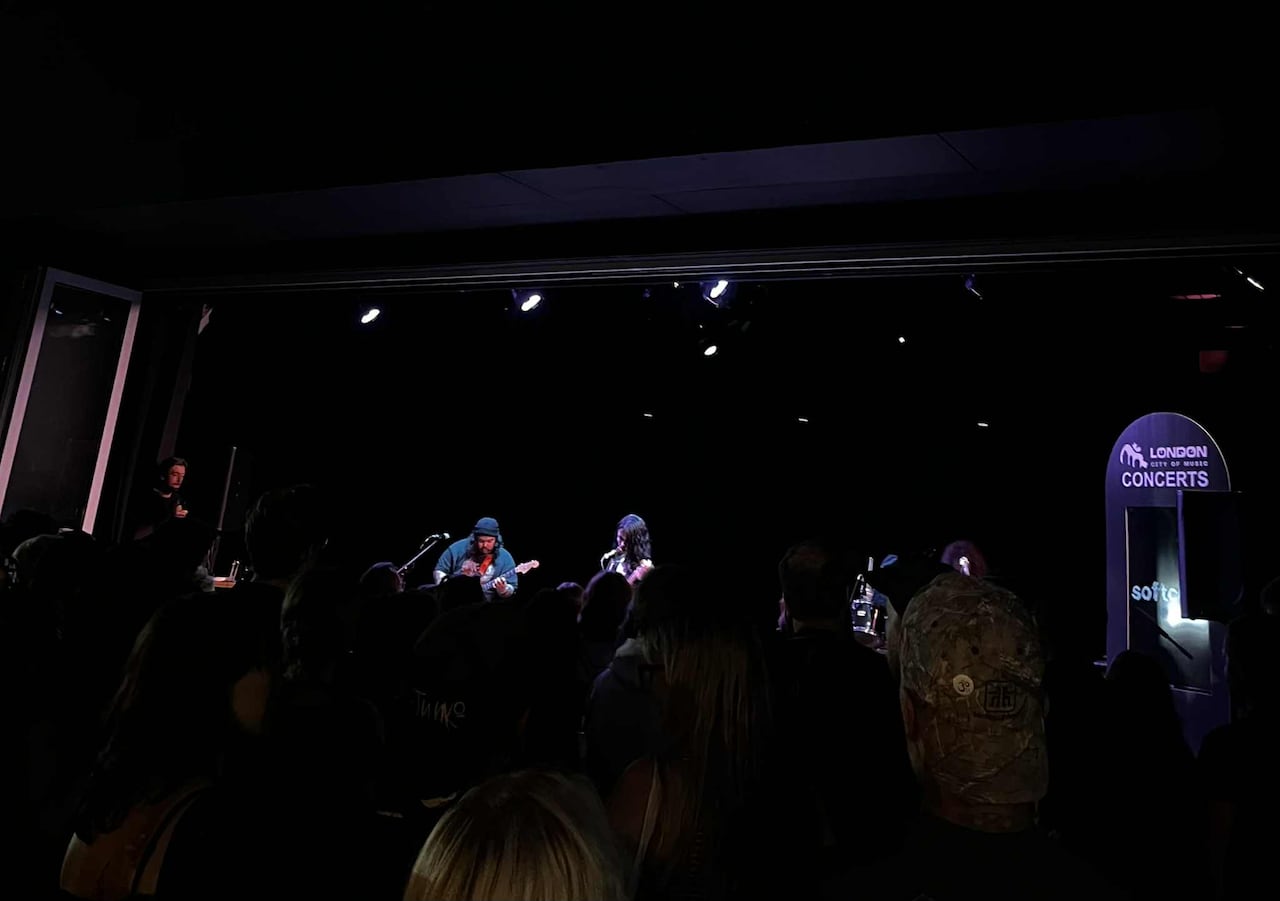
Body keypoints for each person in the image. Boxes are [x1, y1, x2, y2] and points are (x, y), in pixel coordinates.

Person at [432, 517, 518, 602]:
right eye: (481, 541)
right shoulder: (457, 548)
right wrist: (459, 576)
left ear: (496, 540)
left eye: (489, 541)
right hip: (453, 602)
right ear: (474, 539)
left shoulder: (505, 558)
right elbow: (439, 570)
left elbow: (512, 588)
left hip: (485, 609)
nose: (485, 545)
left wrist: (504, 590)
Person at [131, 457, 189, 541]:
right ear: (163, 475)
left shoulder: (178, 499)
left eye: (182, 476)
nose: (179, 480)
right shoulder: (148, 497)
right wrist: (172, 516)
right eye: (175, 474)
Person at [599, 513, 653, 585]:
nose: (622, 544)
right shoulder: (614, 559)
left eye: (628, 541)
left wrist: (634, 577)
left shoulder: (645, 567)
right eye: (620, 538)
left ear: (637, 542)